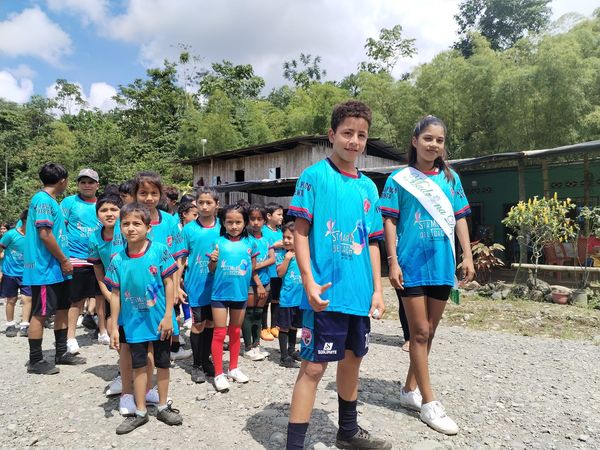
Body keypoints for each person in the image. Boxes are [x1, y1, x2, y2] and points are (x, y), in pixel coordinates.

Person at [286, 101, 389, 450]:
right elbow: (301, 232)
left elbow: (372, 242)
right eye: (347, 133)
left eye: (361, 135)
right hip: (325, 293)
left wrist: (377, 290)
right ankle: (294, 445)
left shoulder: (369, 188)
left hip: (358, 295)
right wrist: (308, 280)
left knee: (352, 361)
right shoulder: (314, 177)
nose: (354, 141)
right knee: (314, 368)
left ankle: (348, 431)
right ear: (332, 135)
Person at [379, 115, 475, 435]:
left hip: (442, 263)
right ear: (415, 141)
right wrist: (392, 262)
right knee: (419, 331)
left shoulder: (450, 178)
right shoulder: (398, 180)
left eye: (440, 140)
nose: (434, 145)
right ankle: (429, 403)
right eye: (428, 138)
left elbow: (460, 217)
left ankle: (409, 389)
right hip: (411, 264)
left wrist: (467, 255)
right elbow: (390, 221)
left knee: (429, 332)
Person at [106, 203, 183, 434]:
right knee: (138, 366)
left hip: (160, 322)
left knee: (162, 364)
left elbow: (169, 282)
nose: (131, 228)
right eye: (126, 224)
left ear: (148, 228)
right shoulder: (118, 260)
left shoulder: (159, 250)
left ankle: (162, 407)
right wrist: (114, 327)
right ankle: (140, 412)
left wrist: (169, 315)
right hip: (133, 324)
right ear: (120, 228)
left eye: (137, 224)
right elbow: (115, 294)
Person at [23, 163, 86, 374]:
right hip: (45, 269)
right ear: (63, 181)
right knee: (40, 313)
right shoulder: (42, 200)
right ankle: (35, 360)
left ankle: (61, 352)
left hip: (57, 269)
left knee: (62, 308)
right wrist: (64, 260)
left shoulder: (51, 201)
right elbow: (45, 234)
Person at [133, 172, 190, 362]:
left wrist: (176, 286)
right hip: (137, 286)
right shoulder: (128, 221)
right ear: (135, 194)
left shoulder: (170, 221)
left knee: (163, 329)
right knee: (136, 333)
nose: (149, 198)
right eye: (143, 193)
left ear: (160, 195)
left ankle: (161, 364)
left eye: (154, 193)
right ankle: (129, 370)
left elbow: (178, 257)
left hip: (164, 286)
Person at [87, 194, 130, 409]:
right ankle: (124, 372)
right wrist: (105, 290)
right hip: (113, 290)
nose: (109, 214)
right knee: (117, 331)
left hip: (135, 288)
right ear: (97, 214)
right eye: (104, 210)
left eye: (114, 209)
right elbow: (97, 267)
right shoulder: (94, 238)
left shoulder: (128, 230)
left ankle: (141, 374)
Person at [208, 204, 257, 392]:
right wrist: (213, 260)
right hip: (219, 294)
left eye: (238, 222)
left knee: (235, 331)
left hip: (240, 294)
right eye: (230, 222)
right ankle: (218, 373)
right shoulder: (218, 242)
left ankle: (234, 368)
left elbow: (252, 267)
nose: (234, 226)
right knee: (220, 333)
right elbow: (211, 269)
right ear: (223, 223)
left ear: (245, 223)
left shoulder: (250, 243)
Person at [180, 187, 219, 383]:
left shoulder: (223, 227)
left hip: (218, 285)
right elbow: (181, 258)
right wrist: (177, 285)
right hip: (196, 284)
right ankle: (196, 365)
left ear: (216, 205)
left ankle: (206, 360)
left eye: (208, 203)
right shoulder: (189, 230)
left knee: (211, 323)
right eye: (201, 203)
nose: (204, 206)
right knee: (198, 324)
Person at [62, 168, 103, 354]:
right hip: (76, 258)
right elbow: (60, 228)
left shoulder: (102, 204)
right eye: (83, 182)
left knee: (101, 296)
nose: (87, 185)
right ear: (78, 184)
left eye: (91, 182)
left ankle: (103, 331)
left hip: (99, 258)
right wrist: (63, 257)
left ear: (97, 185)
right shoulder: (69, 202)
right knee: (76, 300)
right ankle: (70, 337)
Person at [243, 205, 275, 360]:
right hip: (251, 282)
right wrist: (258, 283)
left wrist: (256, 265)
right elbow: (248, 265)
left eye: (259, 219)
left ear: (264, 220)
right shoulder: (246, 239)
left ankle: (257, 345)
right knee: (249, 314)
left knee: (258, 313)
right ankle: (248, 347)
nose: (256, 222)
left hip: (265, 280)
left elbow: (272, 259)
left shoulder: (267, 239)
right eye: (252, 219)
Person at [0, 209, 32, 337]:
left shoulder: (34, 236)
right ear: (24, 221)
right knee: (11, 299)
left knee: (27, 298)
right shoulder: (10, 235)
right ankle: (10, 324)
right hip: (10, 272)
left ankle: (25, 325)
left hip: (27, 272)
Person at [275, 221, 302, 368]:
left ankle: (292, 350)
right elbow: (279, 273)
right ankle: (284, 356)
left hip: (300, 299)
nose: (286, 240)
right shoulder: (283, 255)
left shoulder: (304, 254)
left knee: (294, 326)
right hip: (287, 298)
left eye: (289, 238)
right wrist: (287, 259)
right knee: (284, 327)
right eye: (284, 237)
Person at [261, 202, 285, 341]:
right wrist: (273, 245)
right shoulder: (263, 231)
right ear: (269, 216)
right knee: (265, 301)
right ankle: (264, 327)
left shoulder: (280, 231)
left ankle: (274, 325)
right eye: (279, 214)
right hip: (268, 271)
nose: (282, 217)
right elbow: (260, 247)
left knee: (277, 299)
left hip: (279, 271)